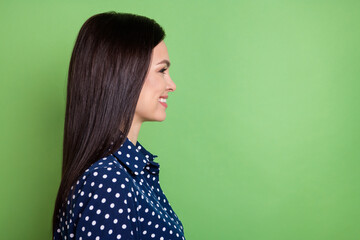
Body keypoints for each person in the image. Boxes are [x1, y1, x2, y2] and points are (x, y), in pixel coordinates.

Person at [52, 11, 185, 240]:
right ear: (125, 74)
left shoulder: (126, 172)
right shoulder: (109, 182)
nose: (172, 85)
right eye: (162, 70)